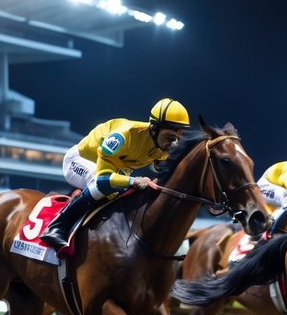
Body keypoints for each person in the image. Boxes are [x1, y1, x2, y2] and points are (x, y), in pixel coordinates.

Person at [38, 98, 190, 255]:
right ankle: (57, 226)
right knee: (100, 186)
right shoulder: (122, 136)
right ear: (153, 128)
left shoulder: (162, 144)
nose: (174, 144)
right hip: (79, 161)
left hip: (115, 170)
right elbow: (103, 180)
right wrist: (134, 180)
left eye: (178, 138)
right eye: (170, 138)